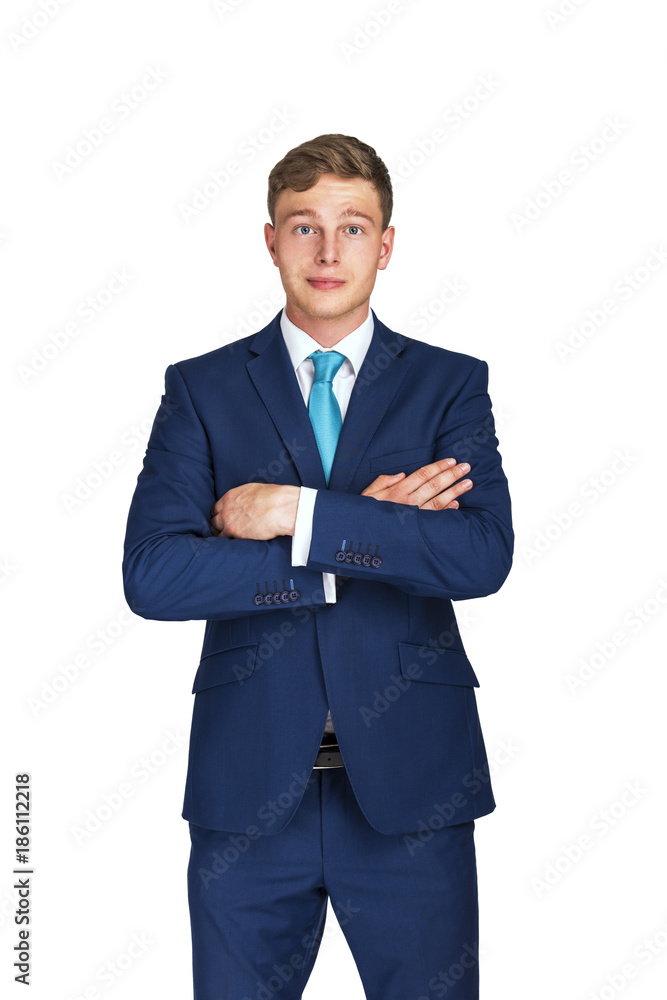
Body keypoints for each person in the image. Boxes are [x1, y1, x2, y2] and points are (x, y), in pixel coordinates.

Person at [122, 133, 513, 1000]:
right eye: (304, 227)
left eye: (353, 227)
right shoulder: (202, 389)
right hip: (249, 790)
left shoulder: (449, 385)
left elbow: (480, 555)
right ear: (270, 240)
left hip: (415, 788)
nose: (329, 251)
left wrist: (294, 513)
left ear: (387, 243)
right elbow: (154, 575)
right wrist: (349, 544)